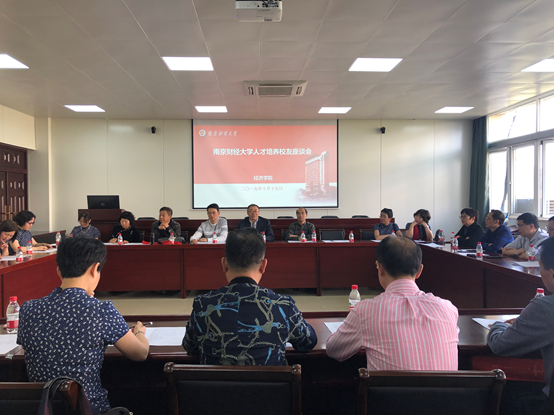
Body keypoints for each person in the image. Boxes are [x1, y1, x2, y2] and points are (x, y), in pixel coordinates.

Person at [17, 237, 149, 415]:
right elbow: (140, 353)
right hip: (90, 409)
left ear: (58, 271)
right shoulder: (101, 310)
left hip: (42, 409)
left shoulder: (29, 309)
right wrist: (139, 332)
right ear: (95, 269)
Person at [183, 228, 317, 365]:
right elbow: (308, 343)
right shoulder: (283, 306)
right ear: (263, 266)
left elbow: (190, 348)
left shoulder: (203, 305)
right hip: (269, 380)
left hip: (214, 380)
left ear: (224, 264)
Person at [326, 236, 459, 370]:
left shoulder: (366, 311)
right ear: (419, 271)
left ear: (380, 269)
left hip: (388, 385)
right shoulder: (448, 309)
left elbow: (333, 350)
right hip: (445, 385)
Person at [487, 237, 554, 415]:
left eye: (541, 267)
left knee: (503, 395)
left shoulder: (545, 307)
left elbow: (501, 345)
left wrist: (497, 324)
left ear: (552, 273)